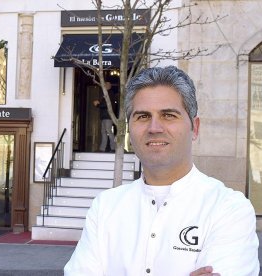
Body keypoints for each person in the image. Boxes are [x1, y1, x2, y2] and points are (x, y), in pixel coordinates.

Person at [64, 66, 259, 275]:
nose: (154, 128)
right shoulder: (105, 208)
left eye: (168, 115)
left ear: (195, 128)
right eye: (143, 116)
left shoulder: (228, 209)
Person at [93, 81, 117, 152]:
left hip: (108, 116)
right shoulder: (105, 93)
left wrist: (97, 104)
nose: (105, 85)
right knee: (103, 132)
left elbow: (107, 104)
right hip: (104, 116)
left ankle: (113, 148)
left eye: (107, 84)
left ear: (109, 86)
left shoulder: (110, 93)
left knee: (109, 131)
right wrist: (98, 102)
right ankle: (102, 148)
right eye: (105, 84)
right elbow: (103, 103)